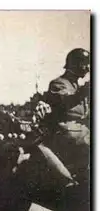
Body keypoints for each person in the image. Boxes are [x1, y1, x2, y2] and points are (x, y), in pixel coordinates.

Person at [35, 48, 90, 186]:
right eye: (85, 64)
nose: (88, 68)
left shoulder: (76, 85)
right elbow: (67, 101)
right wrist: (88, 88)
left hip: (79, 129)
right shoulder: (58, 83)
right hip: (64, 131)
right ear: (74, 64)